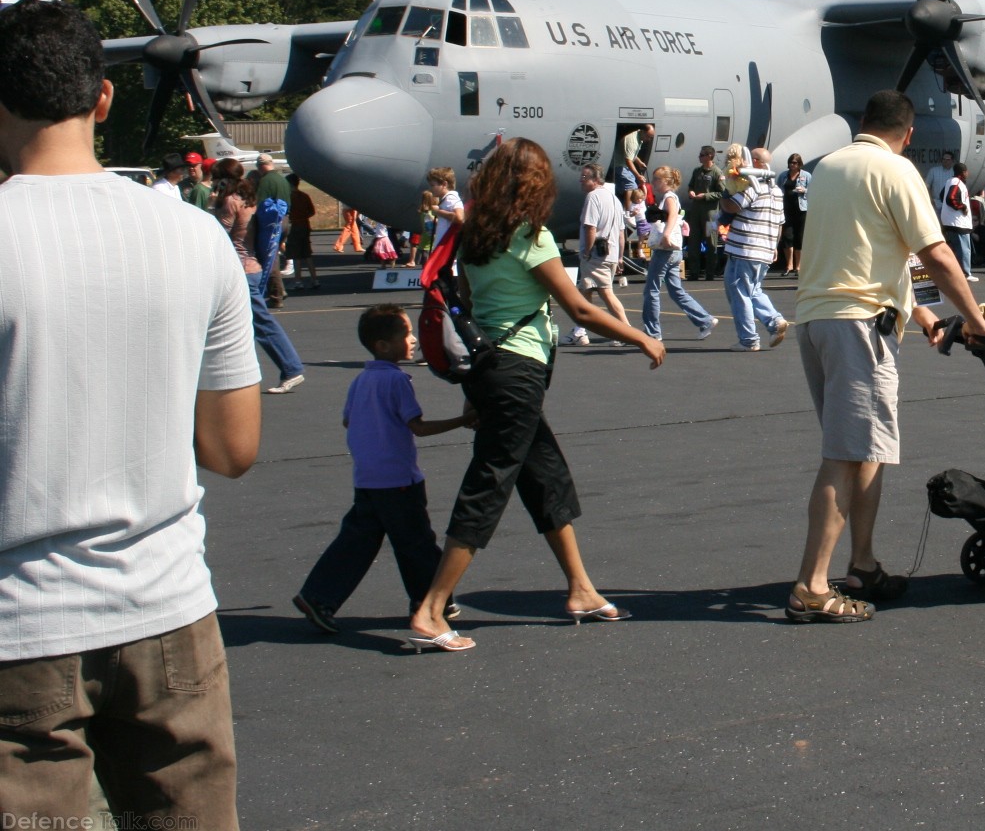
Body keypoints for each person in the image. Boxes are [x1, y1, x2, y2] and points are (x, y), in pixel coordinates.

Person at [0, 0, 261, 827]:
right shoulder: (193, 237)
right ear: (102, 99)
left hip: (21, 626)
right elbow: (232, 447)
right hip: (168, 611)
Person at [408, 138, 667, 653]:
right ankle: (432, 609)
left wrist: (475, 389)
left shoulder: (476, 234)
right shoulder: (530, 235)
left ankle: (581, 589)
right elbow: (580, 309)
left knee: (544, 476)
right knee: (491, 482)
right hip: (517, 372)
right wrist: (640, 336)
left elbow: (466, 300)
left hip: (491, 368)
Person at [788, 91, 985, 623]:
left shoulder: (829, 167)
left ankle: (862, 564)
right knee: (846, 453)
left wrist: (922, 316)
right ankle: (812, 586)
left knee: (866, 449)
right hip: (858, 326)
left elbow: (874, 253)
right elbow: (937, 253)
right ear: (908, 134)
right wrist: (974, 319)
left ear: (862, 122)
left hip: (818, 319)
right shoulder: (896, 169)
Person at [293, 306, 474, 634]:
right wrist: (463, 421)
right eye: (405, 334)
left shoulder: (360, 381)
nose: (413, 339)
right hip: (399, 480)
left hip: (368, 478)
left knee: (358, 540)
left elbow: (349, 420)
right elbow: (417, 427)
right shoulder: (396, 380)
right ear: (383, 345)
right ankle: (430, 600)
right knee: (415, 541)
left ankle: (318, 595)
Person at [211, 157, 306, 394]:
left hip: (238, 269)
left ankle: (291, 368)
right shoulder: (249, 199)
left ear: (223, 179)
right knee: (235, 323)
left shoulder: (229, 202)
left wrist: (211, 207)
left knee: (261, 322)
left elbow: (217, 234)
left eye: (216, 178)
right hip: (251, 267)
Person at [718, 146, 790, 351]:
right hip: (763, 249)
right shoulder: (776, 190)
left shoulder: (753, 187)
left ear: (756, 163)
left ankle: (748, 339)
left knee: (739, 292)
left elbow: (731, 206)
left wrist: (724, 192)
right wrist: (774, 246)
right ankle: (774, 321)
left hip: (745, 249)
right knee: (753, 290)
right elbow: (779, 223)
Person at [639, 165, 718, 340]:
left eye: (656, 180)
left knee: (651, 290)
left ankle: (653, 332)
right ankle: (705, 320)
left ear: (666, 181)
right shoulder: (670, 197)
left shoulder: (668, 198)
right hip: (673, 252)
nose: (654, 183)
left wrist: (666, 234)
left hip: (665, 250)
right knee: (676, 291)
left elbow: (673, 216)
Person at [564, 164, 630, 346]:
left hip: (596, 255)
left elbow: (590, 227)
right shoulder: (614, 199)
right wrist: (620, 256)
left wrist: (586, 251)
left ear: (595, 180)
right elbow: (621, 232)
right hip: (610, 253)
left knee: (606, 293)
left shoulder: (593, 197)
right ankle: (579, 331)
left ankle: (626, 332)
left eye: (584, 177)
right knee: (585, 292)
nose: (581, 181)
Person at [252, 152, 292, 306]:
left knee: (270, 258)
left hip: (272, 221)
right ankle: (280, 290)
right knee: (274, 255)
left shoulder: (266, 181)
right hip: (286, 219)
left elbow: (258, 203)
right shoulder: (282, 181)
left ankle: (276, 295)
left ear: (260, 166)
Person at [685, 144, 724, 279]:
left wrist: (706, 196)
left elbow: (722, 192)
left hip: (711, 213)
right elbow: (691, 185)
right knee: (693, 241)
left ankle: (710, 272)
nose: (699, 157)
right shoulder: (697, 171)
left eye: (702, 155)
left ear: (709, 156)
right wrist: (691, 191)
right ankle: (694, 271)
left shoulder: (717, 173)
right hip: (696, 211)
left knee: (711, 242)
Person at [939, 160, 977, 282]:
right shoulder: (957, 183)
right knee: (964, 249)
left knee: (955, 248)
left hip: (950, 221)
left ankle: (955, 272)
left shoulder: (949, 182)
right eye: (966, 172)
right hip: (957, 222)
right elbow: (951, 198)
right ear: (963, 172)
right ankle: (965, 273)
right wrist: (963, 207)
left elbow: (942, 196)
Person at [778, 152, 812, 276]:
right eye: (790, 163)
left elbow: (813, 189)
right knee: (787, 237)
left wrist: (804, 190)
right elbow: (777, 189)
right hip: (786, 210)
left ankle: (798, 266)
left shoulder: (806, 176)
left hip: (801, 209)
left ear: (799, 164)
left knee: (799, 238)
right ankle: (789, 265)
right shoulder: (783, 176)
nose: (792, 165)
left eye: (795, 163)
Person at [287, 172, 318, 289]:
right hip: (305, 226)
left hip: (294, 226)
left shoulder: (289, 197)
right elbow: (312, 211)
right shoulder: (304, 196)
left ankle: (298, 280)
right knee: (307, 254)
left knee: (296, 255)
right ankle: (315, 279)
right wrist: (303, 216)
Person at [427, 166, 465, 249]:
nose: (431, 189)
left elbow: (460, 218)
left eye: (433, 185)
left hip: (446, 248)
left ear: (444, 184)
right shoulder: (446, 199)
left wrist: (438, 211)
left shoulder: (450, 198)